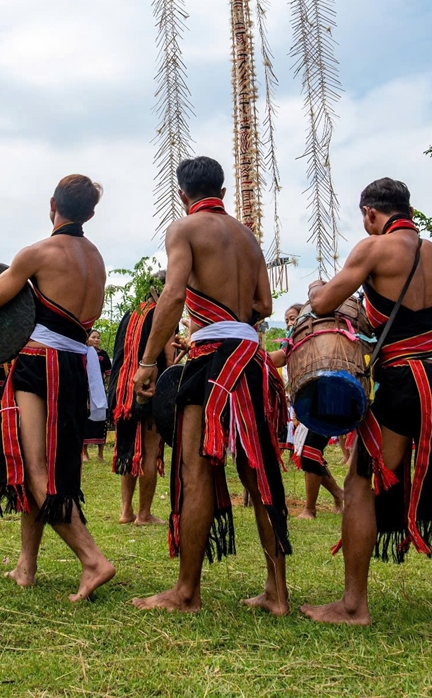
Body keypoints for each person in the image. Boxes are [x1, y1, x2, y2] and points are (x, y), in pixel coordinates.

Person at [300, 177, 432, 625]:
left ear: (370, 214)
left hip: (403, 380)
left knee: (362, 482)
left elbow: (325, 303)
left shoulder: (373, 248)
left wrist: (315, 290)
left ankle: (352, 605)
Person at [0, 174, 116, 603]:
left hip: (38, 364)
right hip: (72, 366)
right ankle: (25, 566)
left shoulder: (39, 253)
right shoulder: (96, 258)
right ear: (89, 213)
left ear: (52, 204)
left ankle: (93, 561)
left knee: (35, 469)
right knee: (49, 464)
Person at [131, 156, 289, 616]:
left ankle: (186, 593)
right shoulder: (247, 236)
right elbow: (264, 301)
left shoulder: (184, 229)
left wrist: (146, 361)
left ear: (183, 194)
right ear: (221, 188)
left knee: (195, 473)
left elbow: (174, 293)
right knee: (259, 470)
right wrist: (235, 318)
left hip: (211, 360)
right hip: (252, 360)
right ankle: (277, 593)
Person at [110, 272, 170, 526]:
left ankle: (126, 512)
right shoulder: (164, 314)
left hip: (122, 391)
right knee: (148, 450)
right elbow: (169, 353)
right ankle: (144, 514)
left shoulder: (130, 314)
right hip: (148, 388)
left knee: (126, 449)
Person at [277, 303, 345, 520]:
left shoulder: (319, 338)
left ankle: (310, 509)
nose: (289, 322)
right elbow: (280, 357)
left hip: (329, 402)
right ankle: (339, 496)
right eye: (286, 319)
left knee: (309, 453)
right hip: (309, 405)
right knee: (310, 456)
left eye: (292, 317)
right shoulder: (292, 342)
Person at [82, 331, 110, 463]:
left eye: (98, 338)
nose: (96, 340)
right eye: (93, 337)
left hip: (99, 391)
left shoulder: (103, 355)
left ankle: (100, 454)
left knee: (101, 421)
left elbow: (108, 374)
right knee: (85, 421)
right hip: (85, 391)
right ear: (87, 339)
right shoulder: (82, 353)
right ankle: (84, 453)